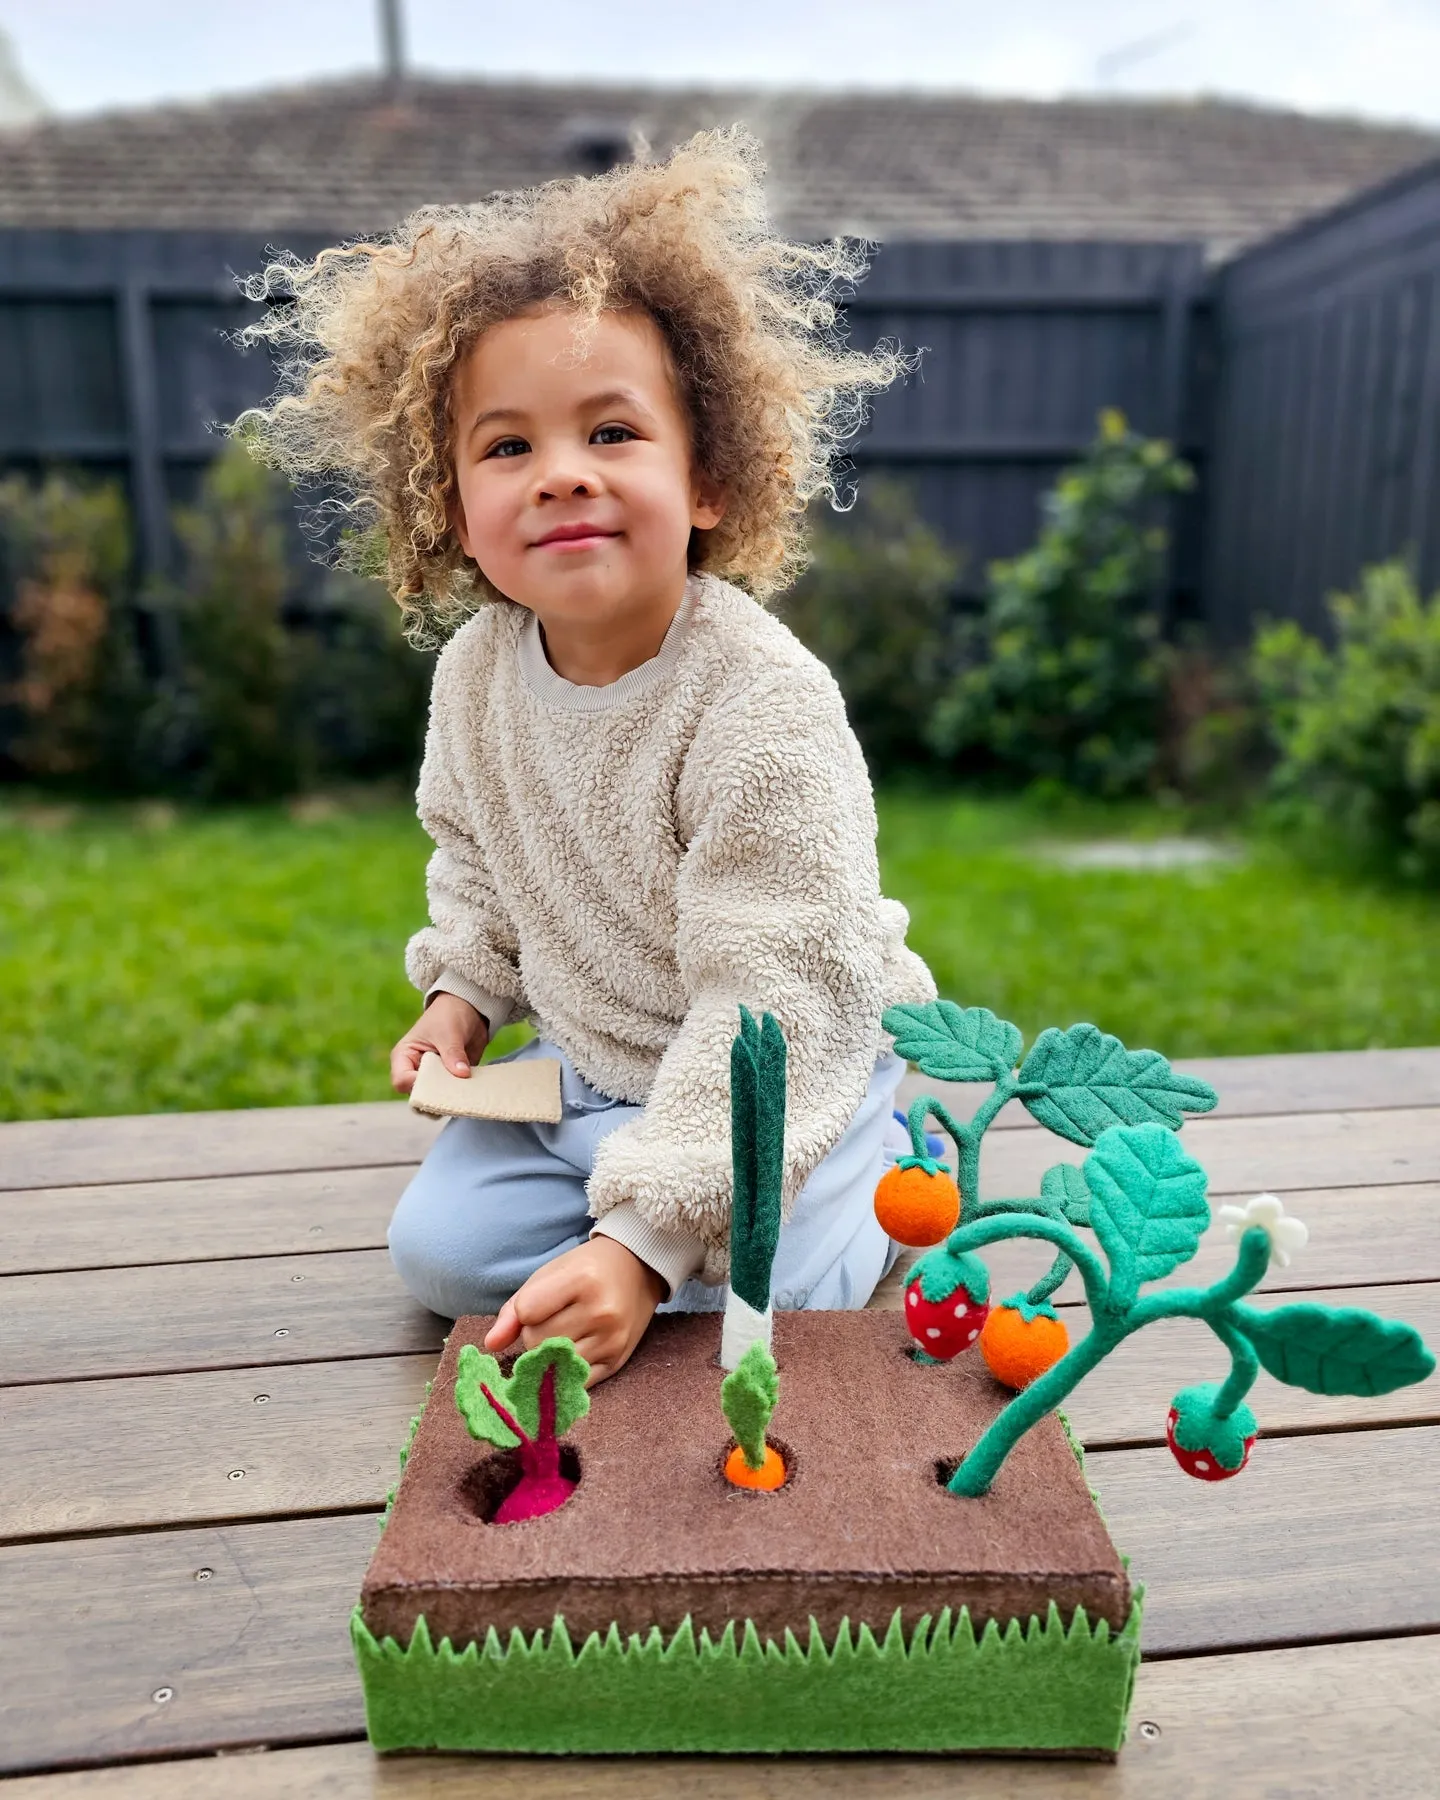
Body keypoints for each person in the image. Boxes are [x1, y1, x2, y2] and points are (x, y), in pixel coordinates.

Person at [237, 128, 938, 1385]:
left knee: (793, 1305)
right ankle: (655, 1207)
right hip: (595, 1067)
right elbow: (478, 860)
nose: (560, 475)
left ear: (711, 477)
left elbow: (771, 997)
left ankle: (882, 1146)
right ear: (453, 510)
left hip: (785, 1054)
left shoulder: (761, 704)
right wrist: (461, 994)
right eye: (507, 447)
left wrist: (641, 1241)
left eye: (611, 433)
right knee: (440, 1258)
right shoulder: (478, 676)